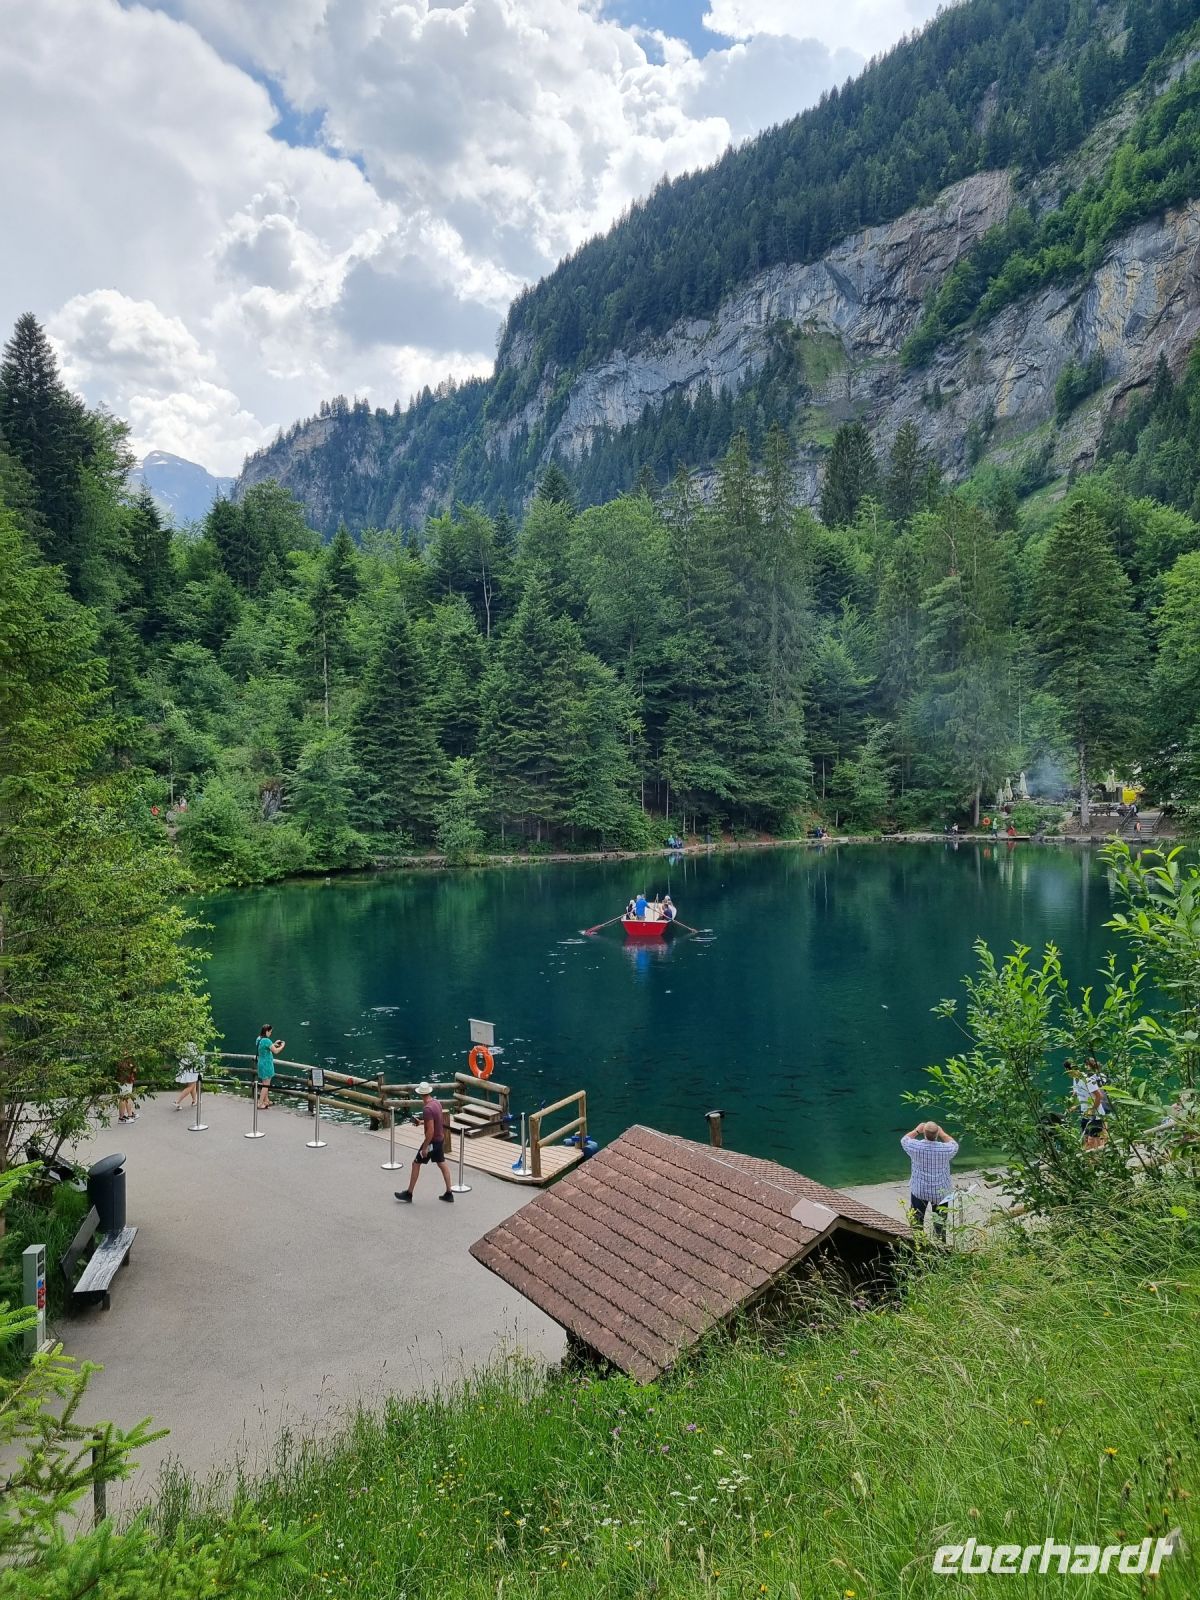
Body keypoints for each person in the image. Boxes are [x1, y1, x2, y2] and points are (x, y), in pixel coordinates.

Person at [395, 1082, 454, 1204]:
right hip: (440, 1139)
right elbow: (436, 1121)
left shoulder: (427, 1109)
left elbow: (431, 1131)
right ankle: (449, 1193)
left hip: (432, 1142)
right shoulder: (436, 1103)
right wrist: (421, 1122)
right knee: (442, 1164)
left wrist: (425, 1148)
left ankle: (409, 1193)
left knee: (415, 1163)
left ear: (420, 1094)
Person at [900, 1119, 959, 1241]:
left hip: (920, 1190)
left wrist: (917, 1130)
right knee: (940, 1224)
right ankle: (940, 1246)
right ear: (937, 1134)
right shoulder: (946, 1150)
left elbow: (904, 1140)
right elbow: (954, 1144)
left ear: (924, 1133)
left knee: (917, 1222)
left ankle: (918, 1245)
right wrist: (942, 1133)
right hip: (941, 1192)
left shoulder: (915, 1146)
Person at [1066, 1059, 1107, 1151]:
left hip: (1095, 1116)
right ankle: (1090, 1163)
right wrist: (1074, 1106)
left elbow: (1099, 1096)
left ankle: (1099, 1161)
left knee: (1094, 1141)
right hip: (1085, 1115)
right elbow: (1077, 1094)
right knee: (1085, 1141)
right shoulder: (1075, 1079)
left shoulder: (1087, 1080)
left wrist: (1092, 1110)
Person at [256, 1024, 286, 1109]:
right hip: (267, 1064)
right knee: (266, 1085)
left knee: (264, 1082)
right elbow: (275, 1051)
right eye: (270, 1032)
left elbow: (266, 1047)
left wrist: (274, 1043)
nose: (271, 1034)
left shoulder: (259, 1039)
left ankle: (266, 1100)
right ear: (266, 1031)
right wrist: (282, 1046)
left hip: (261, 1063)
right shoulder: (267, 1041)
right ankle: (260, 1103)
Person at [174, 1041, 202, 1111]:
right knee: (191, 1086)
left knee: (193, 1084)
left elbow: (178, 1056)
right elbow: (197, 1057)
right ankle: (177, 1101)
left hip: (185, 1067)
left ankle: (194, 1101)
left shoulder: (181, 1044)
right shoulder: (193, 1045)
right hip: (191, 1068)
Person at [117, 1057, 138, 1124]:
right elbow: (123, 1068)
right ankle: (122, 1117)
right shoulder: (121, 1060)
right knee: (123, 1098)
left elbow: (133, 1069)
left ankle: (130, 1114)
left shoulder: (129, 1058)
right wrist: (131, 1067)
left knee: (128, 1097)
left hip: (128, 1080)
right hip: (124, 1081)